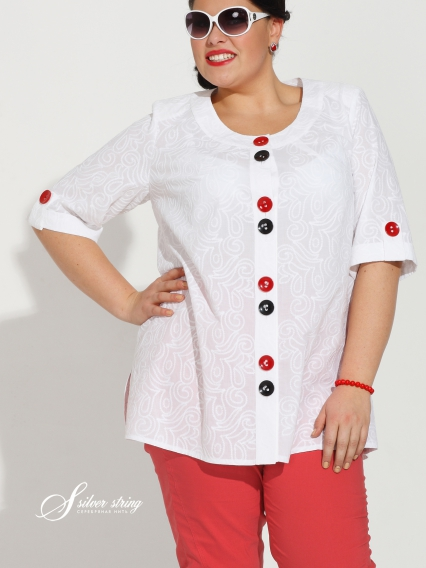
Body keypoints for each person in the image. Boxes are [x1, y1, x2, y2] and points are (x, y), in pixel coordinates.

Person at [28, 0, 417, 566]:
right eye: (199, 22)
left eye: (233, 18)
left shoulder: (343, 113)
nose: (213, 35)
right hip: (192, 402)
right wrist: (128, 302)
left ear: (274, 28)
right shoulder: (170, 128)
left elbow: (380, 252)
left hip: (315, 403)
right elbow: (56, 210)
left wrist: (355, 386)